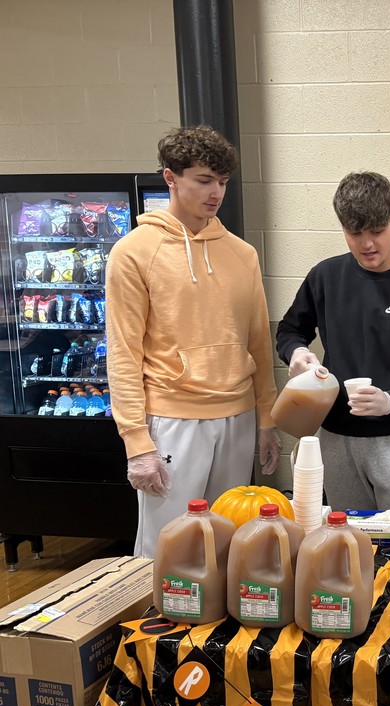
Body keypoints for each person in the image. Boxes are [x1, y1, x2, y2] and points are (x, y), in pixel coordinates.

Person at [107, 124, 281, 557]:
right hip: (172, 419)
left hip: (238, 417)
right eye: (204, 180)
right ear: (171, 177)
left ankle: (220, 627)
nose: (215, 193)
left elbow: (258, 342)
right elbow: (123, 354)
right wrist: (136, 443)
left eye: (222, 182)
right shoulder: (133, 252)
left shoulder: (242, 254)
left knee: (230, 547)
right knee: (168, 548)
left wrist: (267, 419)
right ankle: (155, 625)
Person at [276, 171, 390, 513]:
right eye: (354, 233)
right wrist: (298, 352)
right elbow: (289, 330)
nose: (367, 244)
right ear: (343, 229)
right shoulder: (325, 277)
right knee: (347, 543)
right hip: (335, 438)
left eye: (377, 231)